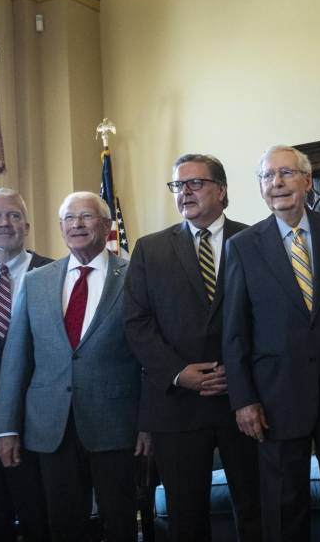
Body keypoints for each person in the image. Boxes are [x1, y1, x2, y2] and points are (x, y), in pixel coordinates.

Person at [222, 145, 320, 542]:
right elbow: (235, 330)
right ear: (260, 188)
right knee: (283, 506)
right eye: (268, 176)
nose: (276, 183)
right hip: (276, 398)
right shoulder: (242, 245)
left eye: (286, 174)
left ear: (307, 181)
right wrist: (243, 399)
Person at [0, 191, 150, 542]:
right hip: (50, 428)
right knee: (63, 526)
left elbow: (148, 358)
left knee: (121, 523)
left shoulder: (134, 276)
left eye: (87, 217)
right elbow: (16, 359)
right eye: (69, 218)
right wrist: (6, 428)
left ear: (107, 226)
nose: (77, 224)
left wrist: (147, 423)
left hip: (116, 426)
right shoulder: (37, 281)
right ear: (60, 227)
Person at [125, 154, 261, 541]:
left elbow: (269, 318)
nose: (184, 192)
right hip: (177, 407)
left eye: (194, 183)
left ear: (221, 190)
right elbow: (137, 324)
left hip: (244, 402)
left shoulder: (253, 240)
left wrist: (237, 374)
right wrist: (178, 373)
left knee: (256, 511)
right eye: (177, 186)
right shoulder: (149, 249)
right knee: (186, 518)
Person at [0, 189, 51, 542]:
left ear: (27, 225)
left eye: (14, 215)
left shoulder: (56, 274)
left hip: (41, 430)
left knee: (45, 526)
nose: (5, 223)